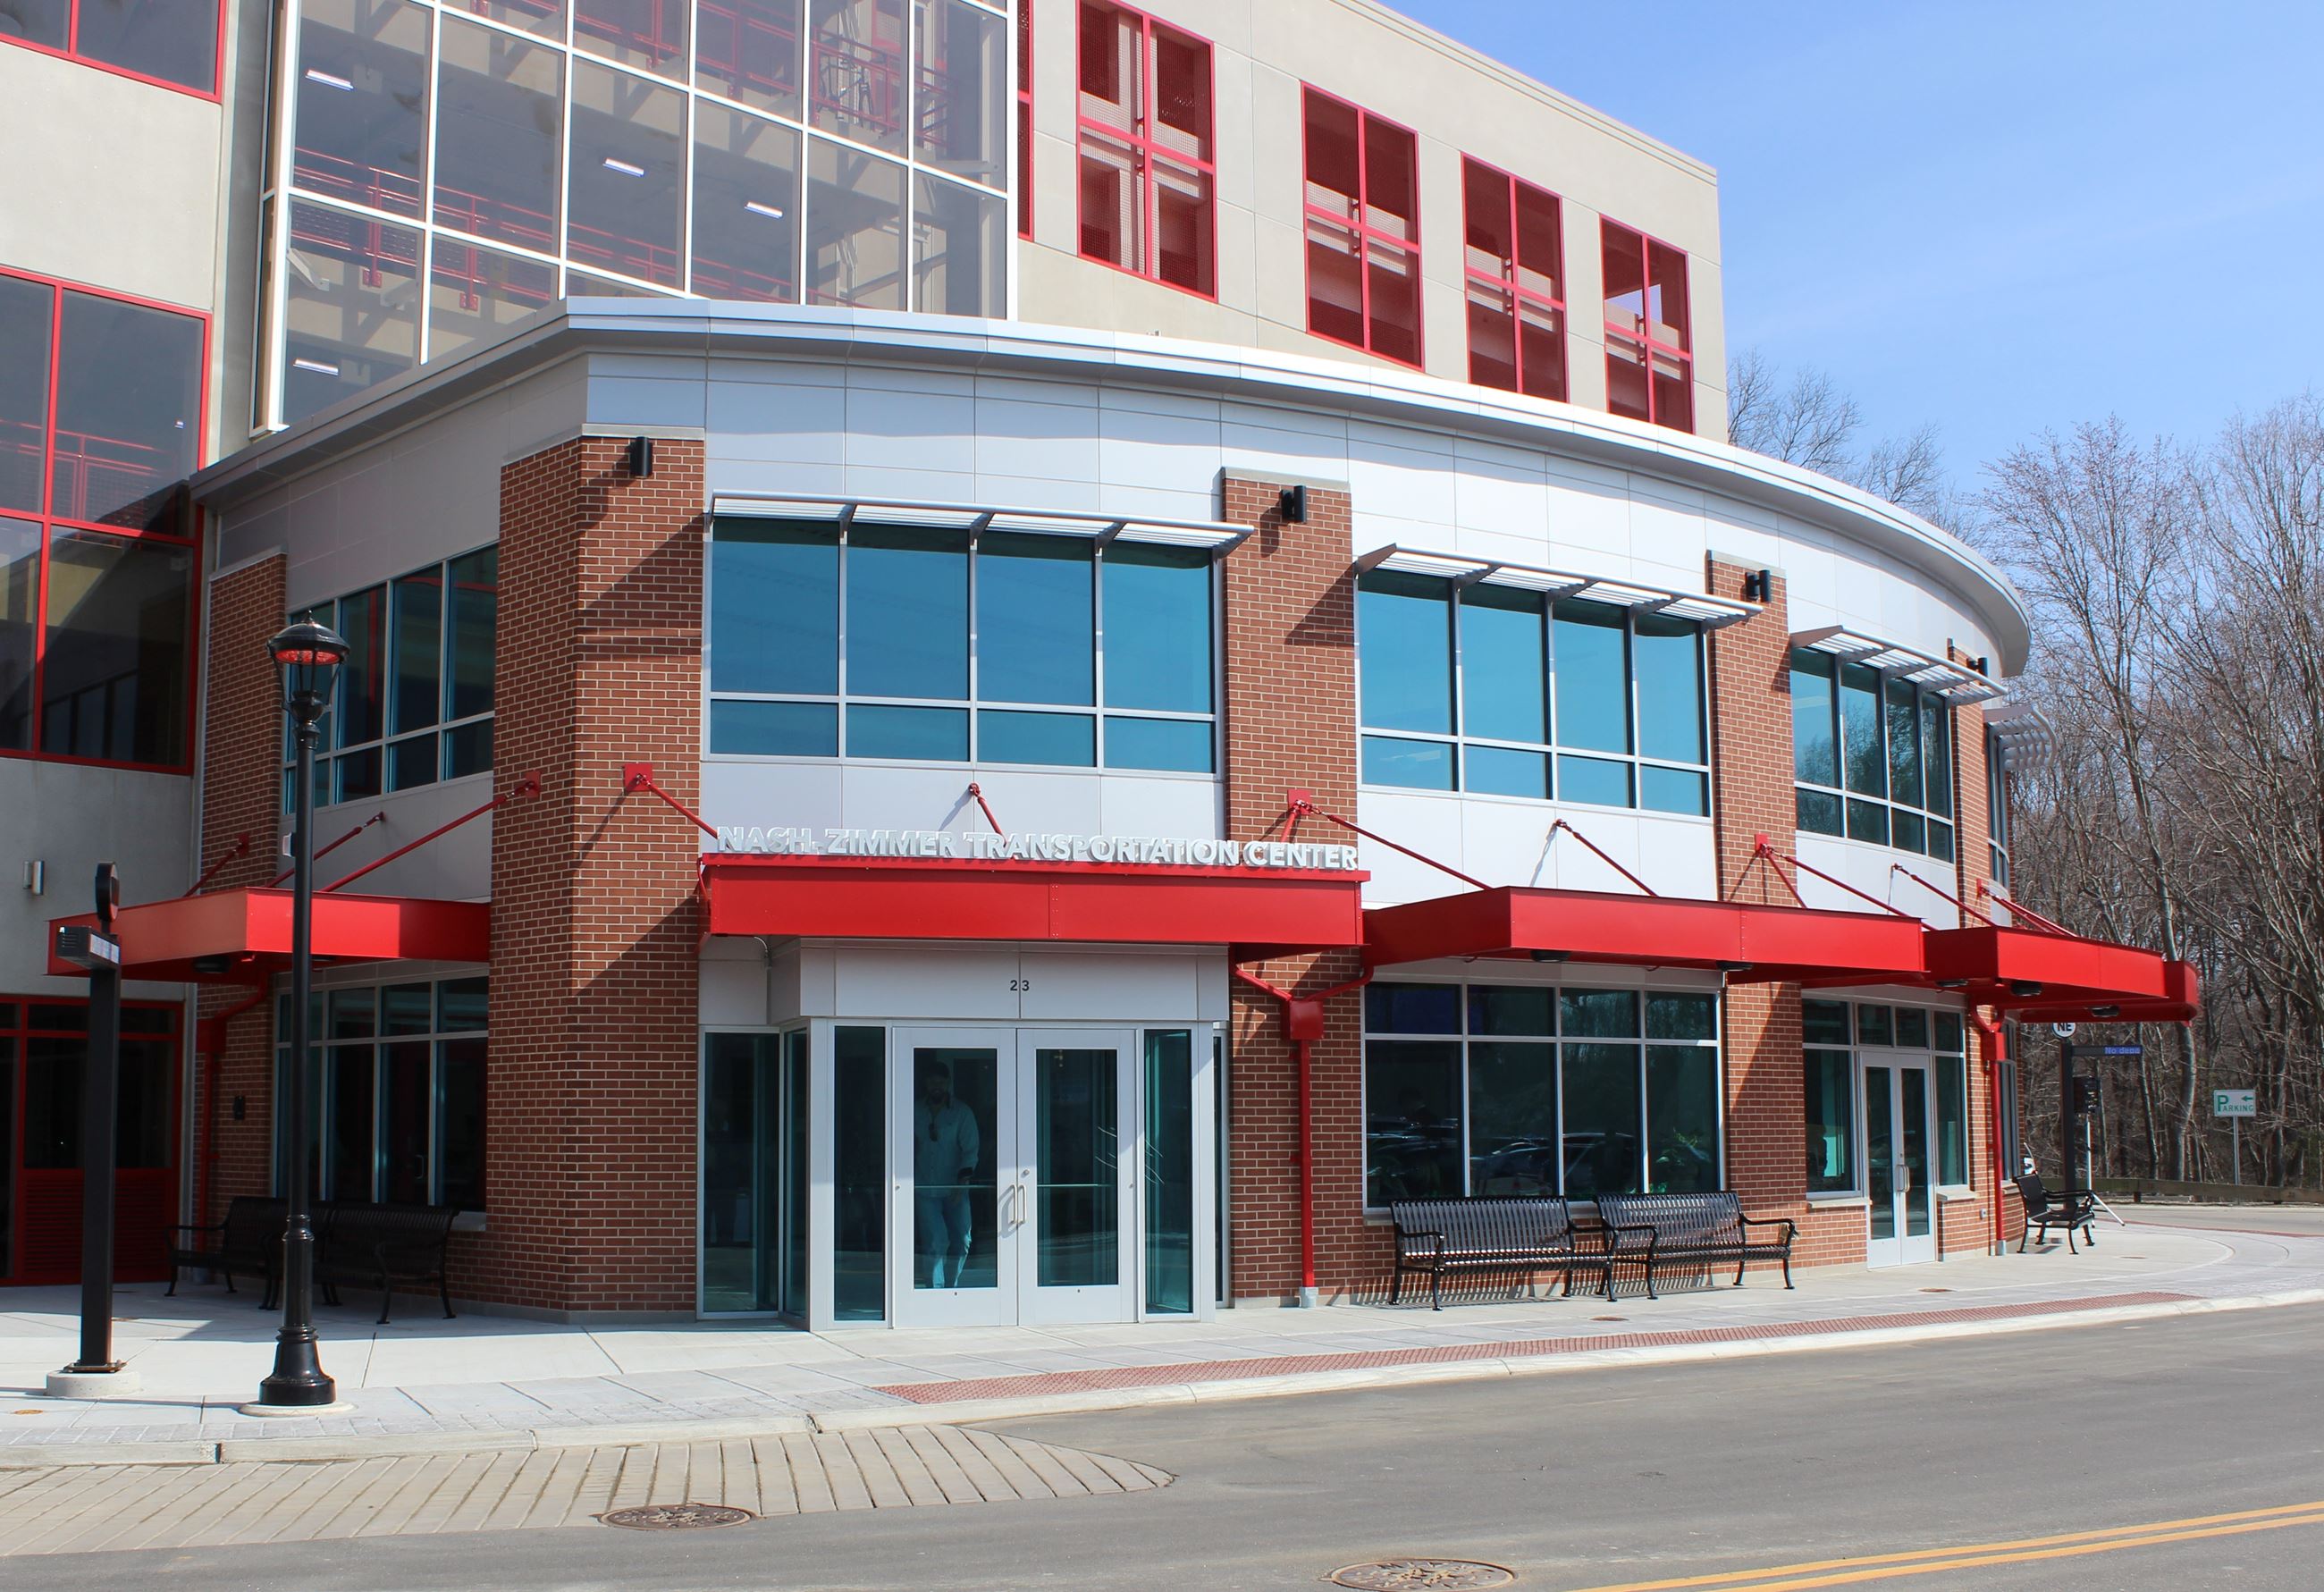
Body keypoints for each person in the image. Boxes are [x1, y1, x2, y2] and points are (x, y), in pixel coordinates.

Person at [914, 1059, 982, 1288]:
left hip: (956, 1189)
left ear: (948, 1083)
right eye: (932, 1081)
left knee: (963, 1241)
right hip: (925, 1187)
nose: (937, 1086)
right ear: (926, 1083)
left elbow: (971, 1150)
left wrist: (961, 1184)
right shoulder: (915, 1111)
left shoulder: (962, 1113)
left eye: (941, 1082)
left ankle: (952, 1289)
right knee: (936, 1241)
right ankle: (936, 1293)